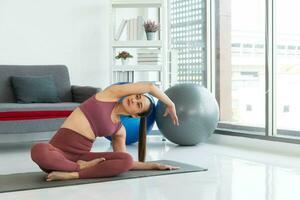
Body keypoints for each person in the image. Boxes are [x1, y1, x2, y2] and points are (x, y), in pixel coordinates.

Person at [31, 82, 179, 181]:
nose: (134, 100)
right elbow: (149, 86)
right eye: (137, 96)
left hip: (81, 157)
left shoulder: (120, 130)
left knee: (125, 159)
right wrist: (170, 104)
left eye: (138, 105)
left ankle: (72, 175)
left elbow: (125, 161)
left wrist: (154, 166)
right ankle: (79, 168)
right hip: (56, 155)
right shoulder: (109, 95)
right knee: (38, 149)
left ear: (135, 116)